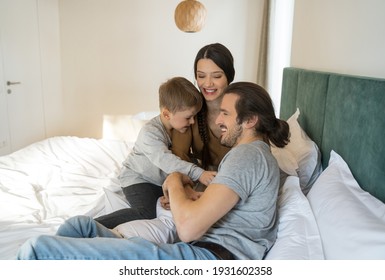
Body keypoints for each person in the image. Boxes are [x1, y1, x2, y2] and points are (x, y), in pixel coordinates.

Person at [17, 81, 290, 260]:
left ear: (251, 120)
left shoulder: (247, 156)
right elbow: (225, 205)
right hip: (198, 251)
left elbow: (188, 228)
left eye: (226, 114)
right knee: (80, 226)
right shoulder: (251, 157)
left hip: (207, 257)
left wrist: (173, 182)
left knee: (36, 248)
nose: (217, 119)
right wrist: (193, 197)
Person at [95, 43, 235, 228]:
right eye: (201, 76)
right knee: (152, 212)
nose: (207, 83)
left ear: (229, 76)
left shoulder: (234, 108)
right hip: (148, 178)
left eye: (216, 76)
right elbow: (174, 160)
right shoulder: (181, 120)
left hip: (215, 178)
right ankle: (92, 226)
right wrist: (180, 188)